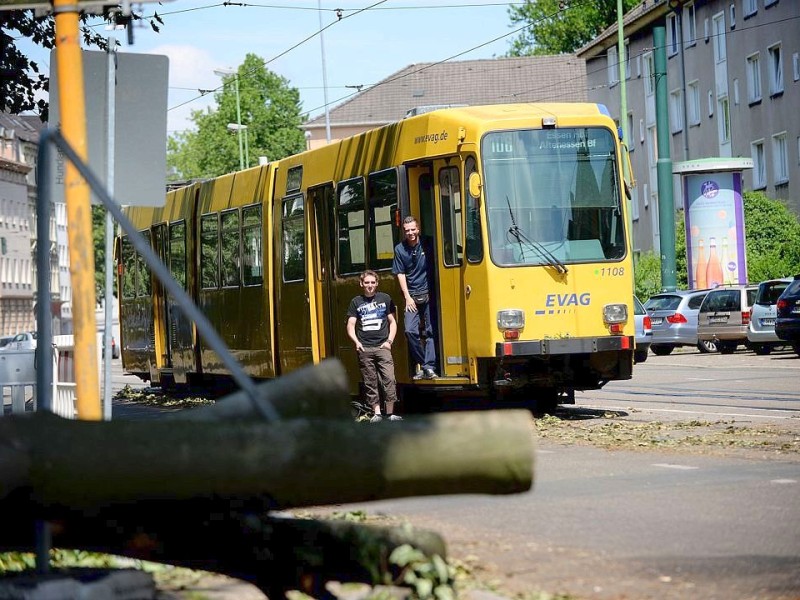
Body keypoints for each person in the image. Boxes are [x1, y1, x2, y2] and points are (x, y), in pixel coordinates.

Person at [346, 270, 402, 423]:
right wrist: (357, 342)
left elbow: (393, 322)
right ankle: (377, 413)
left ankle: (390, 414)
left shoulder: (385, 298)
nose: (370, 286)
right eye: (367, 283)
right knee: (370, 381)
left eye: (372, 282)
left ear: (377, 283)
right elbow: (351, 325)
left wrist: (389, 341)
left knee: (389, 378)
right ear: (361, 284)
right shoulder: (356, 302)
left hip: (383, 346)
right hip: (365, 348)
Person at [392, 215, 438, 379]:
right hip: (412, 296)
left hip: (429, 294)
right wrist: (407, 297)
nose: (410, 233)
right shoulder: (400, 249)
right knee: (410, 331)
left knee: (430, 331)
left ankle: (429, 366)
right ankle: (424, 363)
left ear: (418, 229)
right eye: (407, 230)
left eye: (413, 229)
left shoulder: (429, 243)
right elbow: (400, 273)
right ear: (404, 232)